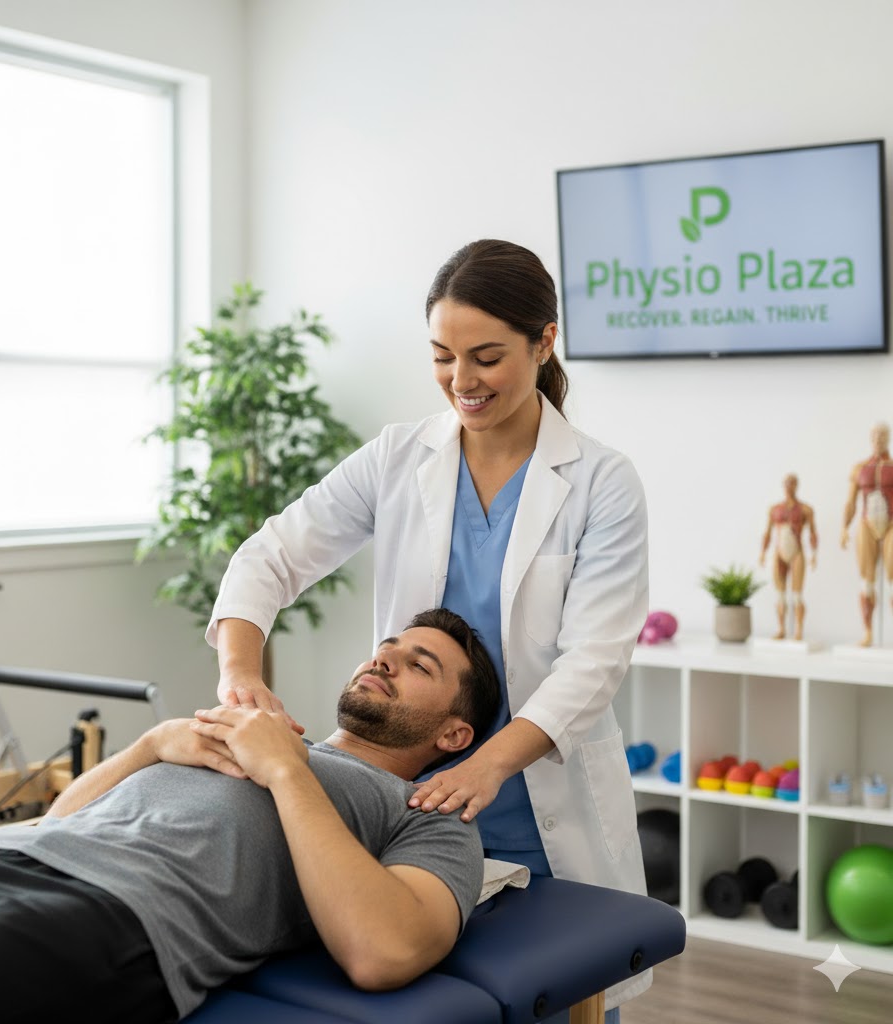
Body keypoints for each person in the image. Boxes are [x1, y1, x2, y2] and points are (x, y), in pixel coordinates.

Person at [206, 238, 650, 1017]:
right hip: (404, 810)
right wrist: (241, 673)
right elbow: (271, 555)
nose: (461, 382)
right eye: (443, 356)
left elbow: (595, 660)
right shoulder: (400, 456)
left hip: (537, 806)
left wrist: (487, 768)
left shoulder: (601, 483)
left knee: (562, 997)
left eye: (485, 358)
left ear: (544, 342)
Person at [0, 608, 500, 1024]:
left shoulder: (431, 816)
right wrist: (151, 745)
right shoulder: (259, 732)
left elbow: (383, 953)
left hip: (107, 915)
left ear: (453, 733)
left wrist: (286, 770)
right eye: (386, 649)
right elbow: (56, 822)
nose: (382, 660)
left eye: (419, 665)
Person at [840, 421, 893, 646]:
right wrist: (844, 527)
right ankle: (868, 632)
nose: (878, 439)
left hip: (891, 523)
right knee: (867, 579)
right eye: (875, 436)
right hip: (866, 523)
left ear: (888, 437)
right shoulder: (859, 468)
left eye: (882, 435)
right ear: (870, 439)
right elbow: (851, 501)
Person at [758, 473, 818, 641]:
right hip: (779, 552)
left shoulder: (805, 509)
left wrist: (814, 554)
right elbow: (767, 533)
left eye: (792, 483)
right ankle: (782, 628)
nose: (789, 486)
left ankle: (798, 630)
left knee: (797, 594)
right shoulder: (775, 509)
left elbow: (813, 532)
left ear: (796, 485)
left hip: (796, 551)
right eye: (786, 483)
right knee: (780, 594)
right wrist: (763, 552)